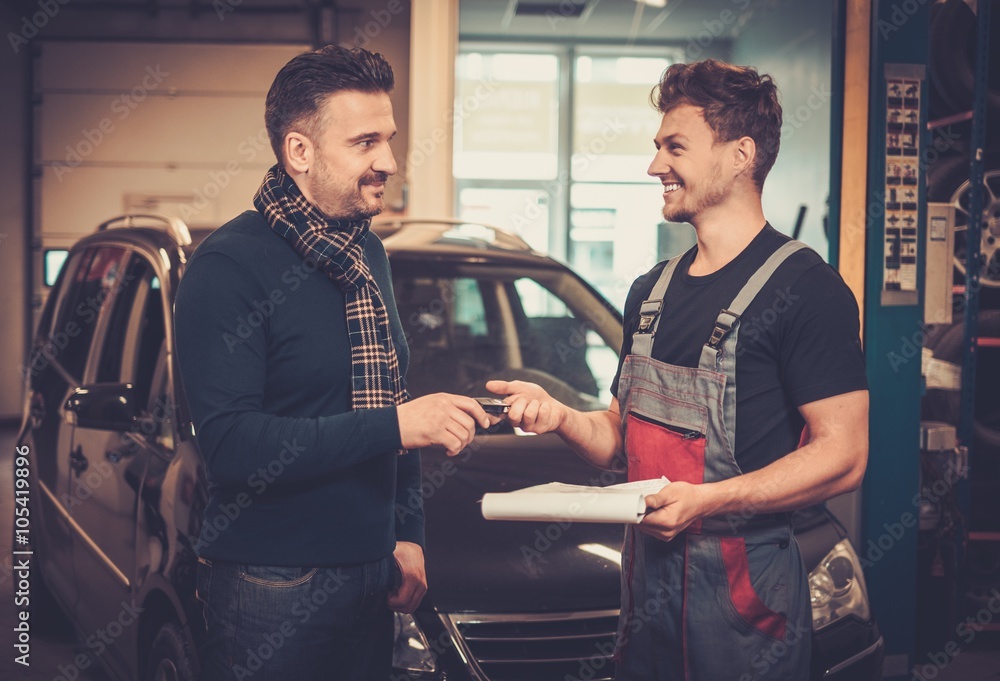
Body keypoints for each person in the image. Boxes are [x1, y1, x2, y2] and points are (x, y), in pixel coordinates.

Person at [487, 59, 869, 680]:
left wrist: (708, 501)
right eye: (657, 147)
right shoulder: (650, 293)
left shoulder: (808, 290)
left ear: (741, 154)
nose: (655, 166)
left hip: (746, 604)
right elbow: (618, 441)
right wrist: (560, 417)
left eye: (675, 147)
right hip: (647, 598)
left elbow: (845, 455)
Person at [173, 46, 492, 681]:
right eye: (365, 142)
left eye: (390, 140)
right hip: (271, 586)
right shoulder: (228, 268)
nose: (389, 163)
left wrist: (407, 533)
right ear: (300, 152)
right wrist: (398, 426)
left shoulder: (365, 252)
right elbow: (232, 445)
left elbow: (387, 391)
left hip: (372, 571)